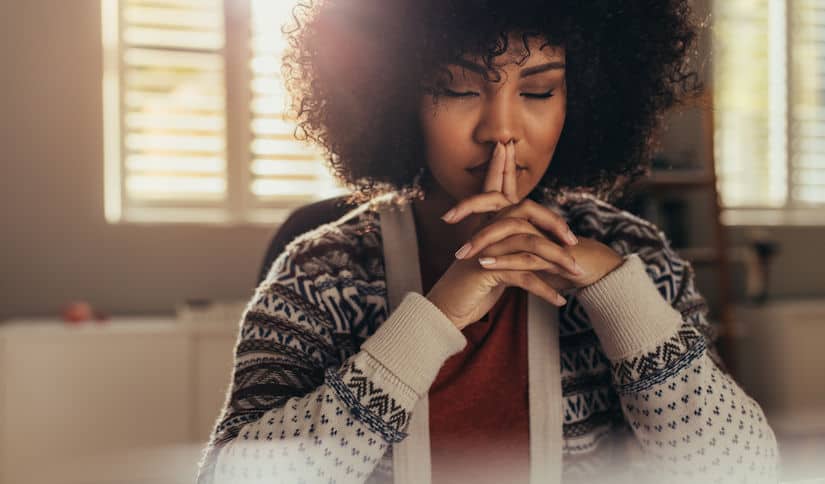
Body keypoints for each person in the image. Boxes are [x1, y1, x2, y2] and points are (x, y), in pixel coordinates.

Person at [196, 0, 779, 483]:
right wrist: (437, 316)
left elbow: (743, 471)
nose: (501, 128)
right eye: (457, 89)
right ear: (395, 96)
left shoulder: (633, 255)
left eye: (539, 91)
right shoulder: (323, 272)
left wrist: (614, 292)